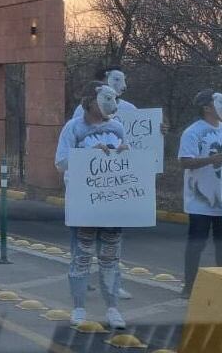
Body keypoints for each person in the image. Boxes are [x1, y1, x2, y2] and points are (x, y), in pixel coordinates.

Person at [55, 81, 129, 330]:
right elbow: (61, 162)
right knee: (82, 255)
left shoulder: (118, 127)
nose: (113, 104)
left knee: (111, 257)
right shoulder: (73, 128)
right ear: (90, 102)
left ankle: (112, 308)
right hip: (83, 205)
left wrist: (126, 153)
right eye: (107, 99)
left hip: (113, 204)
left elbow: (127, 160)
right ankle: (78, 307)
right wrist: (88, 156)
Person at [178, 89, 222, 297]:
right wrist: (211, 160)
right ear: (207, 107)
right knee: (196, 244)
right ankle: (189, 285)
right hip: (199, 200)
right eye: (221, 102)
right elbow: (185, 161)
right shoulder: (192, 132)